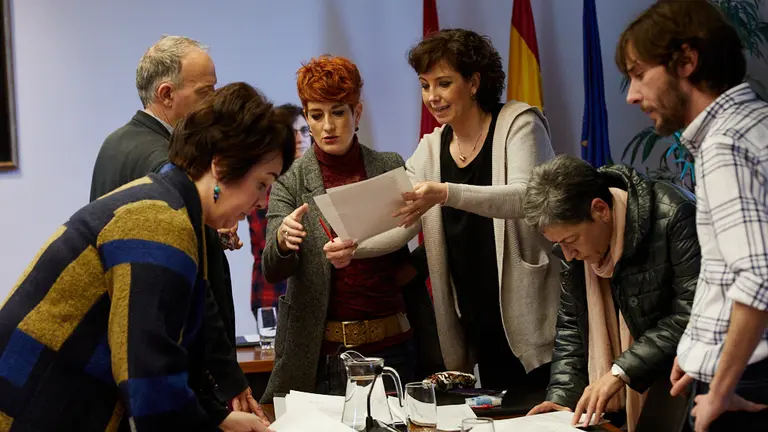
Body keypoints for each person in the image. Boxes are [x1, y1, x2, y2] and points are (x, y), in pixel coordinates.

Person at [0, 82, 292, 431]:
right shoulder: (158, 222)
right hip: (32, 407)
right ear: (222, 164)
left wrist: (220, 418)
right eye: (262, 183)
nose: (262, 202)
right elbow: (149, 380)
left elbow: (166, 360)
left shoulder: (171, 206)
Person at [350, 28, 559, 394]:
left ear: (474, 82)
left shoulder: (519, 123)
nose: (432, 97)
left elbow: (526, 199)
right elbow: (401, 219)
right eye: (424, 85)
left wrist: (447, 192)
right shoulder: (431, 148)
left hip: (531, 319)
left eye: (443, 83)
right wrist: (353, 246)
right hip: (478, 321)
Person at [88, 36, 260, 421]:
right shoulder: (166, 162)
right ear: (167, 93)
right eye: (206, 91)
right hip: (170, 356)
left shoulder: (114, 144)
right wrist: (228, 375)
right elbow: (199, 284)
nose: (214, 103)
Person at [616, 1, 768, 430]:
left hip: (742, 384)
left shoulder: (725, 146)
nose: (631, 95)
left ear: (685, 60)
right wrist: (697, 345)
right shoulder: (755, 123)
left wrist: (721, 386)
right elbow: (729, 266)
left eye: (639, 73)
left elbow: (758, 276)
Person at [260, 55, 441, 402]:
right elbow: (272, 266)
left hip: (396, 345)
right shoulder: (290, 180)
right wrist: (284, 240)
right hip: (325, 353)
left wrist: (406, 269)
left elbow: (421, 237)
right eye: (317, 115)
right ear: (307, 120)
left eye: (338, 112)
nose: (328, 126)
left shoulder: (389, 165)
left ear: (357, 114)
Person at [522, 155, 699, 431]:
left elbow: (690, 315)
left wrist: (620, 371)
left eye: (570, 241)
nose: (568, 255)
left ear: (601, 210)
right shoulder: (575, 251)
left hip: (676, 392)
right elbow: (572, 325)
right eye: (559, 244)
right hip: (619, 406)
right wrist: (561, 399)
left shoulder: (675, 214)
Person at [248, 104, 308, 316]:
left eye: (304, 131)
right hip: (271, 291)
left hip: (308, 290)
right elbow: (267, 242)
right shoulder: (266, 181)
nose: (300, 139)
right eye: (293, 132)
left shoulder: (316, 180)